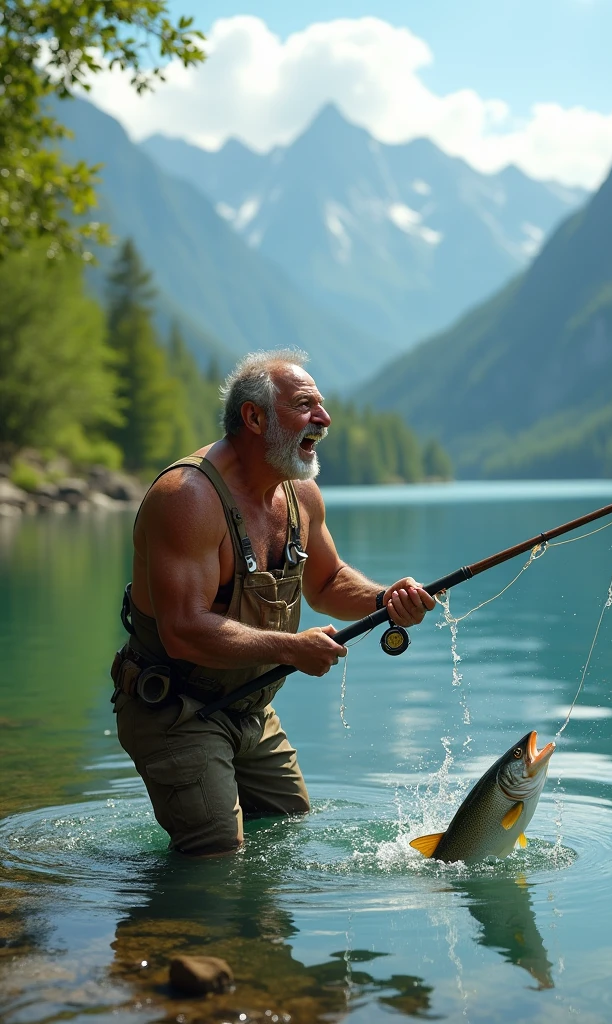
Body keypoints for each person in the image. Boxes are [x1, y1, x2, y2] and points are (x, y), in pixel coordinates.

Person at [111, 349, 435, 855]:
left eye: (322, 407)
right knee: (216, 849)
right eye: (306, 405)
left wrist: (383, 598)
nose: (324, 419)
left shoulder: (301, 494)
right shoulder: (188, 497)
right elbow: (183, 630)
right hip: (175, 706)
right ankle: (167, 932)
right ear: (255, 417)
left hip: (251, 705)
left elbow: (327, 584)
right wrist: (290, 649)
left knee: (289, 829)